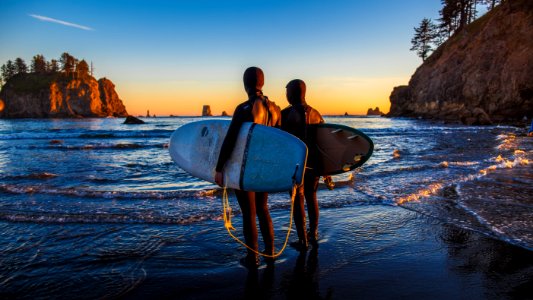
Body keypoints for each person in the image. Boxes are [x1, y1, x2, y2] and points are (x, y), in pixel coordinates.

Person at [214, 66, 281, 268]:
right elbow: (280, 143)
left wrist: (219, 168)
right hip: (266, 167)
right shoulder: (276, 109)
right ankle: (270, 252)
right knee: (263, 209)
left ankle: (253, 258)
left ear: (245, 84)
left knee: (248, 213)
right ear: (263, 83)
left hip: (247, 167)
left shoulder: (244, 108)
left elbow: (231, 139)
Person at [281, 79, 324, 251]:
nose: (286, 95)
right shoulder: (317, 114)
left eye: (287, 92)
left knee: (297, 200)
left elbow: (279, 143)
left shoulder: (286, 114)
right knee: (312, 198)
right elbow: (324, 144)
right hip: (314, 164)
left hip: (295, 165)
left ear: (291, 93)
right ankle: (313, 234)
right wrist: (326, 168)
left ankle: (302, 241)